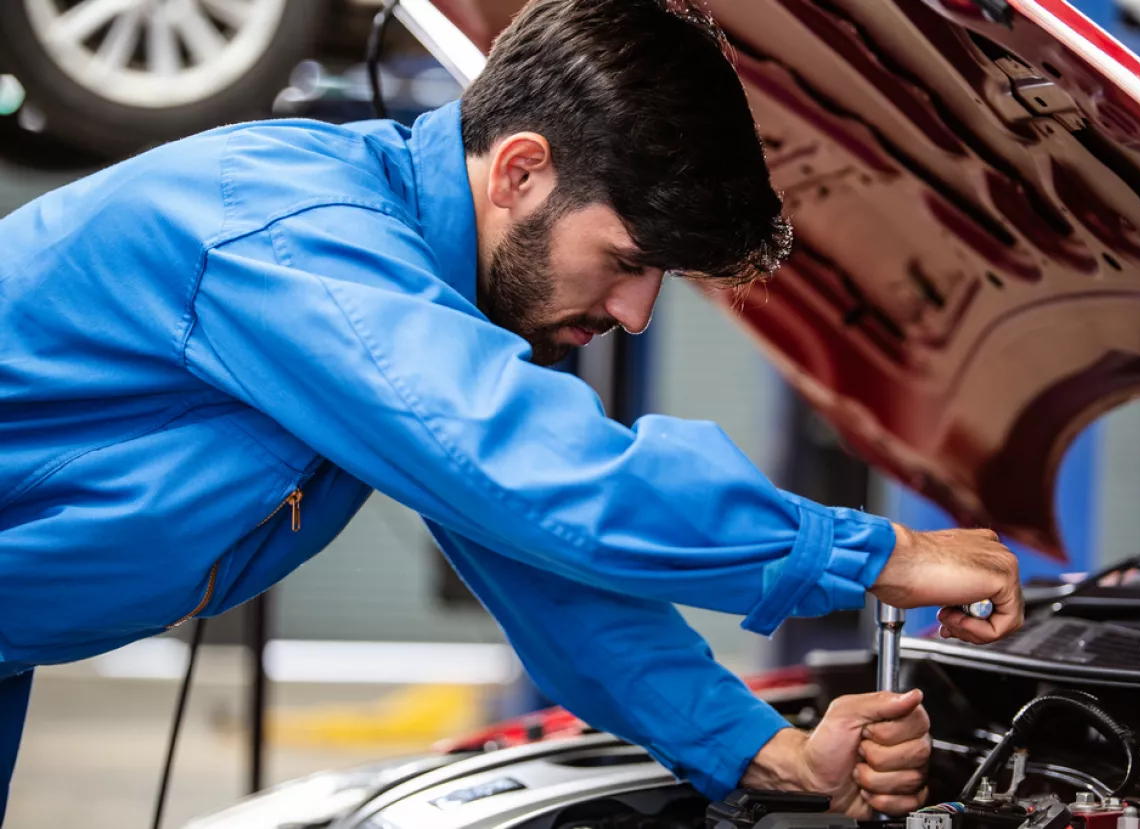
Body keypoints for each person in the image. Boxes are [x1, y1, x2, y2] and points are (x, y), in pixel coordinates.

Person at [0, 0, 1024, 821]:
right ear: (521, 169)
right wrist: (870, 550)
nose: (635, 313)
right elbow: (535, 472)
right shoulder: (293, 232)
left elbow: (546, 563)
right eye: (627, 261)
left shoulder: (411, 294)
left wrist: (767, 753)